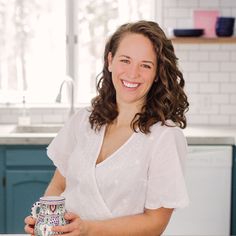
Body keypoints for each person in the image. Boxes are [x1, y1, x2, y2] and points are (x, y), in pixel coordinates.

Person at [25, 20, 189, 236]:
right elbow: (58, 185)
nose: (133, 73)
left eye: (145, 65)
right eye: (125, 60)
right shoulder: (84, 120)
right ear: (110, 61)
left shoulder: (165, 137)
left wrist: (88, 229)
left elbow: (155, 223)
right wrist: (47, 221)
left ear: (157, 72)